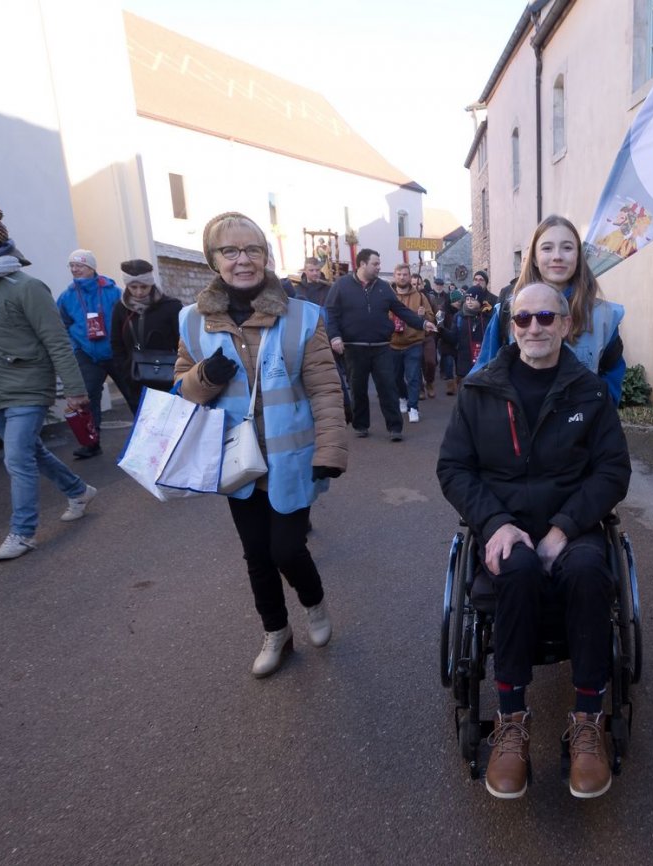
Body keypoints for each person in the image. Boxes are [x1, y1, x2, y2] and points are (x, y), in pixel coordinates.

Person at [437, 282, 631, 801]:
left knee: (591, 572)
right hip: (504, 526)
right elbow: (454, 468)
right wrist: (496, 523)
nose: (535, 328)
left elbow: (613, 472)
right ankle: (511, 720)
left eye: (547, 317)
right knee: (514, 571)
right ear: (511, 325)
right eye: (523, 319)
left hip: (574, 527)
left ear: (566, 325)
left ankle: (587, 719)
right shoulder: (481, 391)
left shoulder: (589, 394)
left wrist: (564, 528)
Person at [174, 211, 348, 678]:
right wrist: (203, 377)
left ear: (266, 257)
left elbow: (326, 388)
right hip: (236, 461)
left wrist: (330, 451)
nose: (242, 260)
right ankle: (276, 631)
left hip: (291, 460)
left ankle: (313, 603)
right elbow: (182, 388)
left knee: (287, 550)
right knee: (256, 554)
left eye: (252, 250)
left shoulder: (302, 316)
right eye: (229, 251)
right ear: (213, 260)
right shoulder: (192, 321)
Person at [0, 205, 96, 561]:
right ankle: (79, 490)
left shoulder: (25, 286)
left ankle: (22, 533)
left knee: (16, 458)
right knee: (30, 451)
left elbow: (56, 339)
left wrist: (75, 390)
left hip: (27, 384)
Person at [473, 216, 627, 403]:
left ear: (578, 257)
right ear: (535, 259)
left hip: (582, 426)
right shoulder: (507, 311)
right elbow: (484, 372)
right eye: (547, 248)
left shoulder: (604, 316)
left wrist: (599, 415)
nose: (557, 256)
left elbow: (611, 375)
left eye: (567, 247)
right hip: (520, 425)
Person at [324, 249, 435, 441]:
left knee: (388, 388)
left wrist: (423, 323)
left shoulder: (384, 288)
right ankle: (361, 425)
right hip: (353, 347)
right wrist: (334, 337)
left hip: (382, 347)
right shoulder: (341, 286)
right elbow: (331, 314)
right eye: (375, 264)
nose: (379, 267)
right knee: (358, 389)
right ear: (362, 264)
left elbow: (401, 310)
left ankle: (395, 428)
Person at [56, 248, 135, 458]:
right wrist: (75, 347)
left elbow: (127, 319)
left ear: (91, 268)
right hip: (87, 354)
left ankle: (149, 438)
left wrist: (125, 345)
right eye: (72, 265)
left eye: (79, 265)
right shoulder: (67, 296)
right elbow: (62, 325)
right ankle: (91, 443)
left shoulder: (112, 291)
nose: (75, 269)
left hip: (115, 353)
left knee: (133, 394)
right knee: (88, 399)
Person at [110, 259, 183, 412]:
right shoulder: (120, 309)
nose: (139, 292)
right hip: (136, 380)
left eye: (144, 286)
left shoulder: (171, 307)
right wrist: (126, 371)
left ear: (151, 284)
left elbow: (183, 342)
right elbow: (116, 343)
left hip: (169, 378)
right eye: (133, 287)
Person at [389, 263, 434, 423]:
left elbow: (431, 317)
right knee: (396, 377)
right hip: (393, 343)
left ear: (409, 276)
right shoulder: (388, 295)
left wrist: (423, 316)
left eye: (405, 274)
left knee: (413, 376)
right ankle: (402, 397)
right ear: (395, 276)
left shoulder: (420, 296)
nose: (402, 277)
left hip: (414, 342)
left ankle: (413, 407)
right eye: (399, 274)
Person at [439, 286, 490, 383]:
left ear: (480, 300)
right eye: (467, 299)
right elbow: (454, 338)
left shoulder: (487, 316)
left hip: (483, 363)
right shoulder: (459, 317)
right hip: (464, 363)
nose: (469, 302)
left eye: (473, 299)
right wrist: (441, 330)